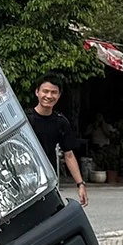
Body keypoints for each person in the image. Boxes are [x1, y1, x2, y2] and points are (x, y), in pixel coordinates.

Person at [27, 75, 88, 206]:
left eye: (54, 92)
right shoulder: (25, 119)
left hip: (49, 181)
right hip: (25, 180)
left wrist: (80, 184)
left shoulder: (61, 122)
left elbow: (69, 154)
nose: (49, 96)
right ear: (37, 92)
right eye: (45, 91)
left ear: (59, 95)